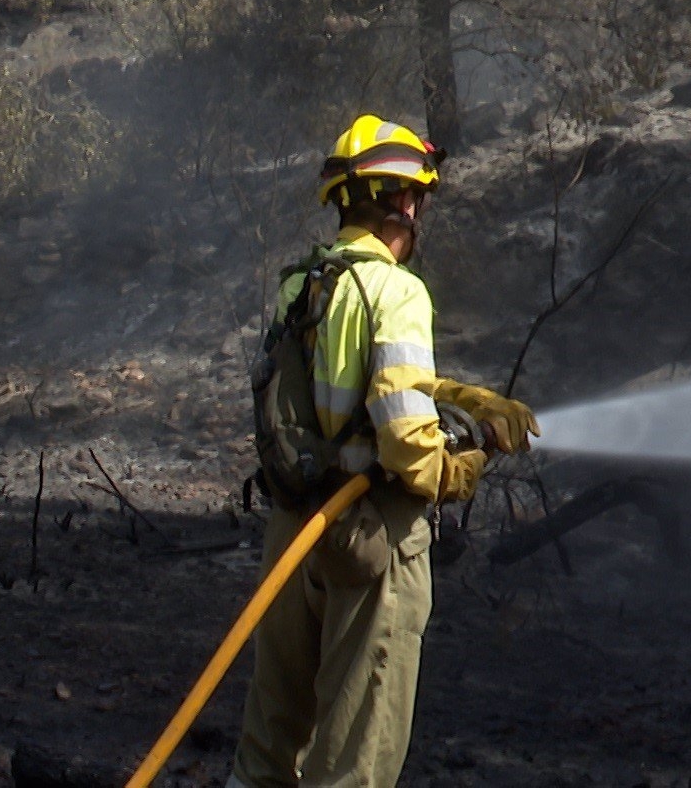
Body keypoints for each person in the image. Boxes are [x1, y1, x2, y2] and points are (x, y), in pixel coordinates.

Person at [228, 114, 540, 788]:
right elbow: (403, 436)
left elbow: (337, 394)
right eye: (419, 198)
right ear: (403, 199)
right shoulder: (396, 291)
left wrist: (466, 397)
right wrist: (458, 470)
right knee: (353, 764)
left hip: (294, 532)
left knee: (268, 755)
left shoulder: (301, 285)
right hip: (371, 542)